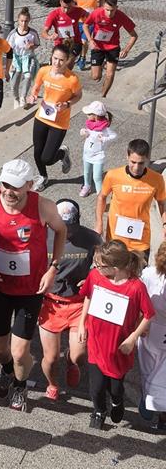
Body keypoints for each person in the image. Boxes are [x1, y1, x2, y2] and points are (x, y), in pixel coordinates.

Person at [0, 159, 67, 412]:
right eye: (5, 185)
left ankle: (20, 387)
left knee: (20, 351)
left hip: (30, 290)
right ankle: (8, 370)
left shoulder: (43, 207)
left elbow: (61, 231)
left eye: (16, 187)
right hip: (0, 287)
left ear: (30, 186)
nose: (9, 191)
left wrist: (53, 267)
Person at [78, 240, 154, 429]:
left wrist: (132, 338)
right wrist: (82, 324)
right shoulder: (95, 276)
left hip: (118, 347)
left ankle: (117, 402)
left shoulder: (136, 287)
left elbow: (149, 314)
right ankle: (98, 411)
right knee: (95, 387)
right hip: (96, 342)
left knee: (116, 387)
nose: (96, 267)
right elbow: (88, 295)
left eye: (100, 265)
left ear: (114, 268)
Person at [37, 199, 102, 401]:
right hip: (50, 303)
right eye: (63, 227)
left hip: (78, 305)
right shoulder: (40, 235)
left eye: (71, 227)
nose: (68, 232)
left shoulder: (92, 239)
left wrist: (91, 277)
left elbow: (104, 265)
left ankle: (71, 361)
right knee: (50, 358)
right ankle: (53, 384)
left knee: (79, 356)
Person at [95, 139, 166, 261]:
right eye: (133, 162)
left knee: (137, 277)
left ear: (148, 158)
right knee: (114, 276)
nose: (136, 167)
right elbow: (101, 197)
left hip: (140, 241)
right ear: (127, 156)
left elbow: (162, 203)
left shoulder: (157, 179)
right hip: (116, 239)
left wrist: (165, 224)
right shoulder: (113, 175)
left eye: (141, 163)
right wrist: (99, 223)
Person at [27, 45, 83, 192]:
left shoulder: (72, 79)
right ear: (51, 56)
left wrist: (67, 104)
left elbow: (78, 96)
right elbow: (36, 86)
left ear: (67, 61)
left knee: (47, 158)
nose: (57, 63)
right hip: (42, 116)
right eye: (55, 58)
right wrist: (33, 95)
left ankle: (62, 153)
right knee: (37, 152)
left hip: (59, 122)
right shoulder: (44, 71)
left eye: (61, 60)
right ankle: (43, 177)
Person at [83, 0, 138, 98]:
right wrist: (90, 40)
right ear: (103, 6)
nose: (109, 13)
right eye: (107, 10)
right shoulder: (97, 13)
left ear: (116, 7)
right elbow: (85, 25)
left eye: (112, 10)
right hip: (97, 46)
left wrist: (126, 49)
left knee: (110, 74)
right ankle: (103, 63)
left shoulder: (121, 16)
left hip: (113, 47)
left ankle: (103, 96)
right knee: (95, 77)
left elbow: (134, 36)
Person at [138, 240, 166, 430]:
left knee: (162, 377)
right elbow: (139, 297)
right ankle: (147, 397)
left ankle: (163, 417)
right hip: (150, 329)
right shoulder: (149, 274)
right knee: (148, 370)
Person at [41, 0, 87, 69]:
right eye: (64, 7)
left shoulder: (78, 11)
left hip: (75, 43)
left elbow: (90, 17)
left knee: (67, 66)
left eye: (68, 7)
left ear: (72, 2)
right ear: (60, 2)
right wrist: (50, 36)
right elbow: (44, 32)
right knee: (56, 68)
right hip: (60, 44)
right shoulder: (54, 14)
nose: (66, 10)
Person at [79, 100, 117, 197]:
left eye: (89, 114)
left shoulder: (105, 128)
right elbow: (88, 132)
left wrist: (104, 138)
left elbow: (114, 136)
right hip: (87, 153)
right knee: (86, 172)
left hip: (98, 156)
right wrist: (84, 132)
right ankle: (87, 186)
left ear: (95, 115)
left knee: (97, 177)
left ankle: (100, 195)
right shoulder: (90, 124)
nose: (87, 116)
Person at [6, 7, 40, 109]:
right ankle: (15, 98)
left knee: (28, 76)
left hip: (28, 57)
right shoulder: (13, 34)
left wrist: (32, 46)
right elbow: (8, 49)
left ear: (29, 21)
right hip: (16, 58)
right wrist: (10, 64)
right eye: (22, 21)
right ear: (18, 20)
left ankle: (22, 97)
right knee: (14, 83)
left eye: (26, 21)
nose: (24, 23)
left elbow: (37, 44)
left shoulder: (32, 33)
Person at [73, 0, 104, 70]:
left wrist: (99, 11)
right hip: (78, 21)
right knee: (77, 41)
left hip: (90, 22)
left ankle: (82, 58)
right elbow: (73, 4)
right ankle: (79, 56)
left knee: (84, 41)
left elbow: (102, 0)